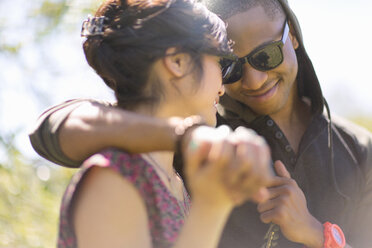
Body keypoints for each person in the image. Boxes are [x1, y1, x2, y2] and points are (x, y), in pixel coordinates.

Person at [29, 0, 372, 247]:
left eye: (267, 55)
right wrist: (184, 136)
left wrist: (316, 233)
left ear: (292, 35)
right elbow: (49, 130)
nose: (252, 81)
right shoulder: (196, 130)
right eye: (230, 65)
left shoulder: (359, 150)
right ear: (177, 62)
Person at [49, 0, 275, 247]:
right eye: (221, 63)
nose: (223, 87)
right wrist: (212, 207)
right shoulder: (114, 179)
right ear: (177, 61)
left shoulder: (175, 182)